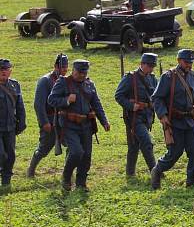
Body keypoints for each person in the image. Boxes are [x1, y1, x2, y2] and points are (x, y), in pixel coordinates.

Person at [150, 49, 194, 189]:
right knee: (174, 154)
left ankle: (191, 182)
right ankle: (157, 171)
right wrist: (162, 115)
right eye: (186, 62)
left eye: (190, 62)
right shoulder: (168, 77)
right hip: (174, 121)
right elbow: (157, 98)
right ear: (179, 61)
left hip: (190, 121)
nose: (189, 65)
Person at [48, 60, 110, 191]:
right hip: (69, 125)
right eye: (79, 72)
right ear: (73, 70)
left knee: (86, 155)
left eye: (84, 72)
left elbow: (96, 104)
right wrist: (66, 100)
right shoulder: (63, 82)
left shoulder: (89, 84)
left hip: (86, 124)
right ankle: (66, 177)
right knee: (77, 152)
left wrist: (104, 121)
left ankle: (81, 183)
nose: (81, 75)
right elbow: (51, 100)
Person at [115, 53, 158, 179]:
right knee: (147, 142)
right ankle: (155, 170)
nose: (151, 69)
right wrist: (131, 106)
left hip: (147, 116)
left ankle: (130, 173)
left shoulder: (153, 78)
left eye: (152, 66)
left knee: (134, 145)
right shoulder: (130, 78)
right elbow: (119, 96)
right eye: (149, 66)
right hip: (133, 117)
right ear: (142, 64)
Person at [27, 54, 69, 177]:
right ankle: (31, 170)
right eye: (62, 68)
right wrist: (44, 122)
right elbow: (38, 104)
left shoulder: (66, 80)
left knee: (72, 145)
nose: (64, 71)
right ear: (56, 66)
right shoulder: (45, 81)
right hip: (50, 119)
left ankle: (67, 172)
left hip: (63, 120)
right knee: (44, 149)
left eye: (66, 68)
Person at [0, 59, 25, 188]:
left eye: (6, 70)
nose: (3, 72)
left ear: (10, 71)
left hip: (10, 126)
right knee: (1, 154)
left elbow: (20, 105)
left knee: (10, 155)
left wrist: (22, 122)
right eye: (1, 70)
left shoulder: (15, 85)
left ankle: (6, 182)